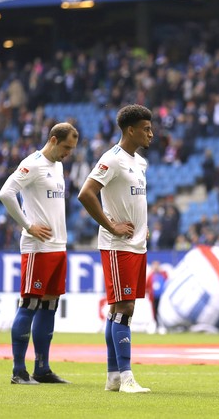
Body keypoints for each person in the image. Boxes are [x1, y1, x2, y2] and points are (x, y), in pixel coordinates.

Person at [78, 104, 153, 393]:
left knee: (118, 309)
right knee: (124, 307)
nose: (151, 133)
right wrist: (111, 226)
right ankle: (126, 378)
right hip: (117, 245)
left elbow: (131, 200)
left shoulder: (140, 162)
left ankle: (113, 377)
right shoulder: (112, 159)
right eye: (146, 129)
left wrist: (141, 224)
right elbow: (86, 194)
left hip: (136, 244)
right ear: (130, 130)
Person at [0, 122, 79, 385]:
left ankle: (42, 369)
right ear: (54, 140)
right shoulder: (32, 163)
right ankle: (18, 371)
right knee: (29, 304)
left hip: (58, 246)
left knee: (50, 306)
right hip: (38, 247)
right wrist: (27, 225)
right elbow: (6, 193)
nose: (69, 152)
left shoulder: (58, 165)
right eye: (66, 147)